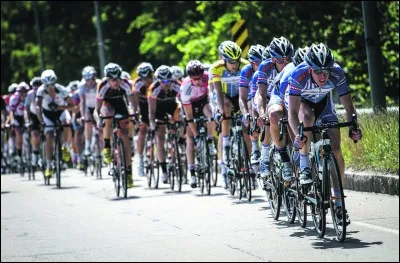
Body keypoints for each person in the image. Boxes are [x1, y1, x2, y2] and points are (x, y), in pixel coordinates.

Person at [287, 43, 363, 225]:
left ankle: (338, 202)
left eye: (326, 71)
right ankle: (305, 166)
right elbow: (292, 112)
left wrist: (354, 125)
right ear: (310, 69)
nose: (323, 76)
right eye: (318, 71)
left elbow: (347, 104)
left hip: (325, 104)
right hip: (303, 104)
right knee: (306, 118)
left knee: (336, 152)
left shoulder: (337, 72)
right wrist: (298, 134)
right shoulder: (299, 74)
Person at [209, 40, 250, 188]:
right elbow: (218, 92)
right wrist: (220, 111)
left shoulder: (246, 65)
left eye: (236, 61)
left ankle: (249, 165)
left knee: (246, 131)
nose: (235, 65)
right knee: (225, 108)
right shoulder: (216, 68)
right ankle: (226, 141)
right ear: (223, 59)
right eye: (231, 62)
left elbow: (249, 91)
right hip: (224, 96)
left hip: (240, 96)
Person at [256, 36, 294, 180]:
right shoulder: (265, 67)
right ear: (273, 59)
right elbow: (261, 94)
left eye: (287, 59)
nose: (284, 63)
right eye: (280, 60)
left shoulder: (295, 65)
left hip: (290, 97)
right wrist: (261, 113)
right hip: (272, 96)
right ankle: (266, 157)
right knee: (268, 119)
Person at [94, 63, 137, 188]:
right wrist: (98, 120)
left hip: (121, 105)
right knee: (107, 115)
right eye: (113, 79)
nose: (116, 81)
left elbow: (132, 104)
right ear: (107, 79)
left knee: (125, 138)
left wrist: (134, 115)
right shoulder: (102, 85)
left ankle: (128, 173)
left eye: (118, 78)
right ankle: (107, 146)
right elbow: (97, 109)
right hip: (107, 104)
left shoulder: (125, 83)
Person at [180, 60, 216, 188]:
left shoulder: (208, 77)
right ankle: (192, 173)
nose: (199, 81)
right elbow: (188, 116)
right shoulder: (185, 87)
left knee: (211, 115)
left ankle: (210, 141)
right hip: (190, 105)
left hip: (203, 101)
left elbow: (213, 96)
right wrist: (196, 135)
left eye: (200, 77)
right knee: (190, 139)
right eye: (195, 79)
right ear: (190, 78)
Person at [148, 65, 182, 184]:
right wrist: (153, 124)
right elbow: (151, 111)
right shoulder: (153, 89)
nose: (166, 83)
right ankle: (164, 170)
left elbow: (184, 102)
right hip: (159, 111)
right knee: (160, 139)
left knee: (181, 119)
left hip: (173, 107)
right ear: (158, 80)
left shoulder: (177, 85)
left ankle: (178, 145)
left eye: (168, 80)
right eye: (162, 81)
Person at [36, 69, 74, 177]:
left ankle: (66, 147)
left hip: (61, 111)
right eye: (47, 85)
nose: (50, 88)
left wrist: (59, 107)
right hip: (47, 114)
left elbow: (72, 106)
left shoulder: (62, 90)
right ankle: (49, 166)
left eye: (52, 85)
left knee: (67, 122)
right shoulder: (40, 91)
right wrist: (41, 121)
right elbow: (38, 106)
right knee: (49, 136)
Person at [239, 44, 265, 168]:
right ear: (251, 63)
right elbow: (242, 97)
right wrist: (245, 114)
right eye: (257, 63)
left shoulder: (268, 68)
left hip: (265, 96)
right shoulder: (246, 71)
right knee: (250, 108)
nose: (260, 65)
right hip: (250, 98)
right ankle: (255, 148)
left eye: (262, 62)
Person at [132, 62, 155, 177]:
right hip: (143, 107)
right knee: (142, 130)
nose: (146, 81)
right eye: (143, 78)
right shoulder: (137, 84)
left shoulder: (156, 81)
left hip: (155, 107)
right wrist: (136, 115)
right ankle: (140, 160)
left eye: (149, 77)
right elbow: (135, 103)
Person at [79, 66, 101, 157]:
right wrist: (82, 115)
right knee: (87, 121)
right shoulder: (82, 86)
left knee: (102, 126)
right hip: (88, 107)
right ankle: (87, 146)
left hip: (98, 107)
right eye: (87, 80)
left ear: (95, 77)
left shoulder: (99, 83)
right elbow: (82, 102)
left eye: (92, 80)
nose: (90, 82)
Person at [9, 81, 30, 167]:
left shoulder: (29, 97)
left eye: (24, 92)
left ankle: (31, 153)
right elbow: (11, 112)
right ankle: (19, 154)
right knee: (19, 135)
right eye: (20, 92)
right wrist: (13, 121)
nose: (22, 94)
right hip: (17, 117)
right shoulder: (14, 98)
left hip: (27, 117)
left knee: (32, 133)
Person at [25, 77, 43, 167]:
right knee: (35, 134)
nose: (37, 90)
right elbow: (26, 109)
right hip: (33, 115)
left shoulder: (45, 91)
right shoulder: (29, 95)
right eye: (35, 88)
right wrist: (28, 120)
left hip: (44, 114)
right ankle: (35, 152)